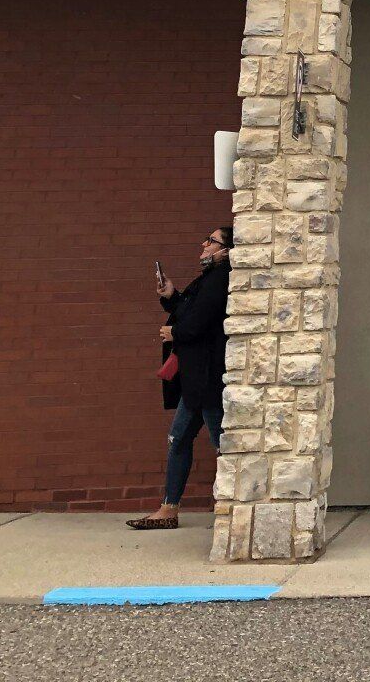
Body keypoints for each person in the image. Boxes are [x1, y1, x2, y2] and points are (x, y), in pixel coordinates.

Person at [128, 226, 232, 530]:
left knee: (223, 445)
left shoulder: (221, 278)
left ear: (226, 251)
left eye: (212, 241)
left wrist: (176, 332)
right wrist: (171, 296)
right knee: (179, 439)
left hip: (207, 379)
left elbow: (199, 321)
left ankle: (230, 508)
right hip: (195, 380)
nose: (204, 244)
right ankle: (168, 509)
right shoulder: (208, 278)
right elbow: (189, 310)